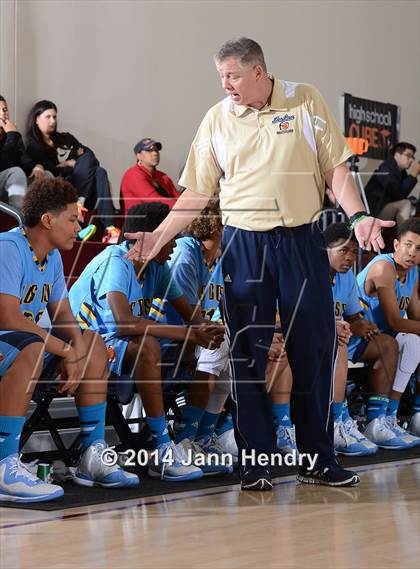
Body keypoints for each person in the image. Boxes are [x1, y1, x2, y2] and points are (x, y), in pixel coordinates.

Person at [124, 37, 394, 491]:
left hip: (300, 241)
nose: (225, 85)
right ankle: (256, 462)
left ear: (258, 72)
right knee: (247, 353)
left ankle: (317, 459)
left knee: (312, 349)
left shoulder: (305, 99)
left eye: (232, 75)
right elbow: (196, 193)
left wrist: (359, 216)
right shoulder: (217, 118)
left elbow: (336, 171)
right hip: (243, 243)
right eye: (220, 77)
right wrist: (159, 236)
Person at [0, 177, 138, 503]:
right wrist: (64, 349)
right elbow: (7, 318)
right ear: (48, 220)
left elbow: (63, 316)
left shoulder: (51, 258)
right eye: (73, 219)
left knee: (92, 342)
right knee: (32, 344)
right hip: (10, 341)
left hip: (22, 347)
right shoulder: (8, 247)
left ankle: (92, 455)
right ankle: (4, 464)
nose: (79, 227)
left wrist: (77, 349)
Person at [69, 202, 225, 481]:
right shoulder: (116, 261)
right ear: (144, 239)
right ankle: (162, 445)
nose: (175, 247)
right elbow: (124, 322)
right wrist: (191, 334)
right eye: (169, 238)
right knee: (149, 345)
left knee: (226, 343)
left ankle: (199, 436)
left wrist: (216, 330)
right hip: (88, 345)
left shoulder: (158, 267)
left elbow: (193, 319)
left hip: (120, 345)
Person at [323, 223, 402, 453]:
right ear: (325, 250)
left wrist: (361, 324)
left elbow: (353, 316)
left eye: (352, 252)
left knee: (387, 344)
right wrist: (337, 327)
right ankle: (337, 421)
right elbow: (303, 319)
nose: (349, 258)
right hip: (313, 340)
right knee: (340, 344)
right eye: (343, 251)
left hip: (339, 336)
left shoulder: (345, 276)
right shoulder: (311, 274)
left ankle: (376, 421)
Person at [352, 217, 420, 446]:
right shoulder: (383, 267)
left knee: (413, 342)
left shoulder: (413, 273)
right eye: (408, 245)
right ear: (396, 245)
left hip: (382, 337)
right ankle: (376, 421)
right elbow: (395, 321)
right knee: (399, 342)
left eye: (419, 249)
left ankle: (399, 416)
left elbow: (415, 316)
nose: (412, 253)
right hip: (355, 335)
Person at [22, 100, 120, 243]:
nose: (52, 121)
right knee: (98, 172)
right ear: (36, 119)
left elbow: (89, 154)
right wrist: (71, 163)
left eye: (54, 117)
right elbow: (52, 171)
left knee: (97, 169)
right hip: (66, 190)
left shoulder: (65, 138)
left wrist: (73, 164)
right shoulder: (34, 146)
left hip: (84, 191)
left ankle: (103, 223)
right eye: (48, 117)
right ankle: (108, 227)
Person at [365, 143, 420, 228]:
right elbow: (398, 195)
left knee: (411, 206)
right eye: (408, 155)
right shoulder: (385, 169)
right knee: (405, 204)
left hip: (383, 210)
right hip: (373, 213)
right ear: (397, 154)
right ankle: (404, 237)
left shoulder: (402, 173)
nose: (411, 160)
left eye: (413, 157)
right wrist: (413, 174)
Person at [120, 138, 179, 215]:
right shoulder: (133, 175)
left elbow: (178, 198)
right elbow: (153, 200)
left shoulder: (162, 176)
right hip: (139, 225)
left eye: (156, 150)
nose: (155, 153)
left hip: (161, 222)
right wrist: (183, 207)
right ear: (139, 156)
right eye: (149, 150)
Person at [0, 95, 27, 211]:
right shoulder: (13, 135)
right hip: (4, 180)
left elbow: (25, 161)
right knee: (16, 173)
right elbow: (3, 164)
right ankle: (18, 222)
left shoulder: (13, 135)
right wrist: (12, 135)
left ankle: (51, 223)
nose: (3, 113)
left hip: (13, 179)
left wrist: (37, 167)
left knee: (45, 175)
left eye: (5, 109)